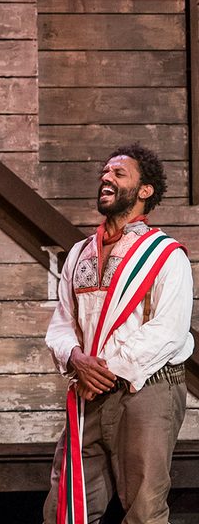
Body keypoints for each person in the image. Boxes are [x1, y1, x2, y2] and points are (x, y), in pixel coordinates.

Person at [42, 144, 191, 524]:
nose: (106, 178)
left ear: (145, 191)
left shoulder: (166, 254)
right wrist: (76, 359)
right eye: (104, 173)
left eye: (119, 174)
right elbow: (63, 322)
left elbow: (169, 331)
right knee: (66, 506)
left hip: (146, 390)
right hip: (89, 388)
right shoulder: (79, 254)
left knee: (143, 510)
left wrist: (104, 371)